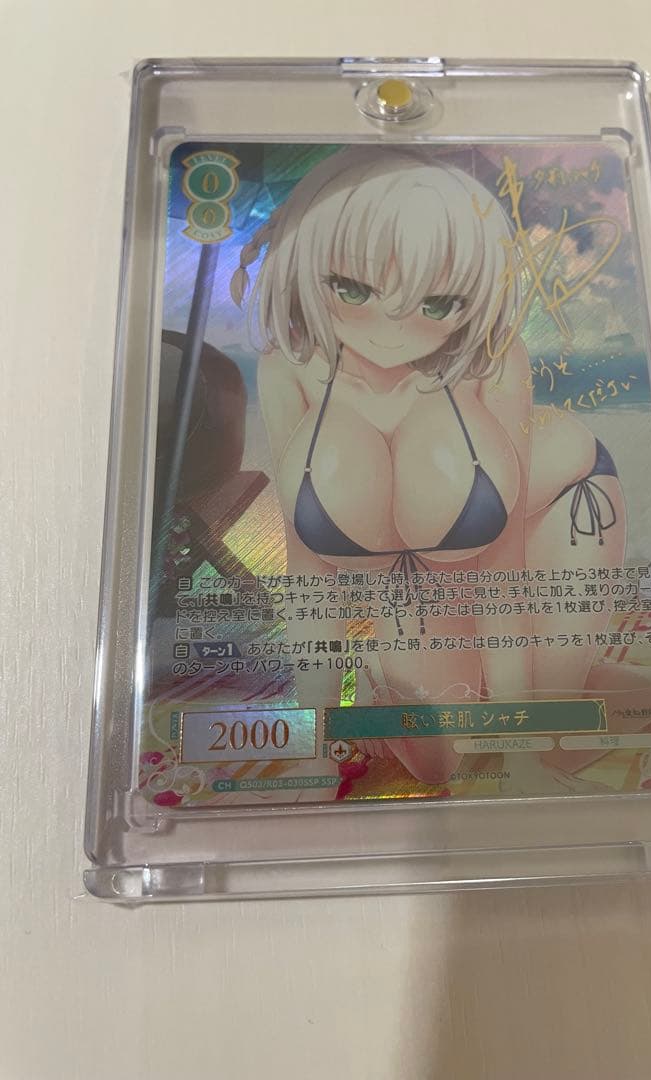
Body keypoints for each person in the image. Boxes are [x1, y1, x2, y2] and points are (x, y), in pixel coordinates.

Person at [231, 147, 625, 786]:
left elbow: (504, 570)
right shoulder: (290, 369)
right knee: (437, 760)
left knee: (546, 739)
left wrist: (523, 750)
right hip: (421, 568)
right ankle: (620, 679)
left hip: (559, 504)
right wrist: (312, 745)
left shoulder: (491, 360)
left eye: (438, 303)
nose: (391, 330)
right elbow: (310, 571)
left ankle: (578, 681)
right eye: (353, 289)